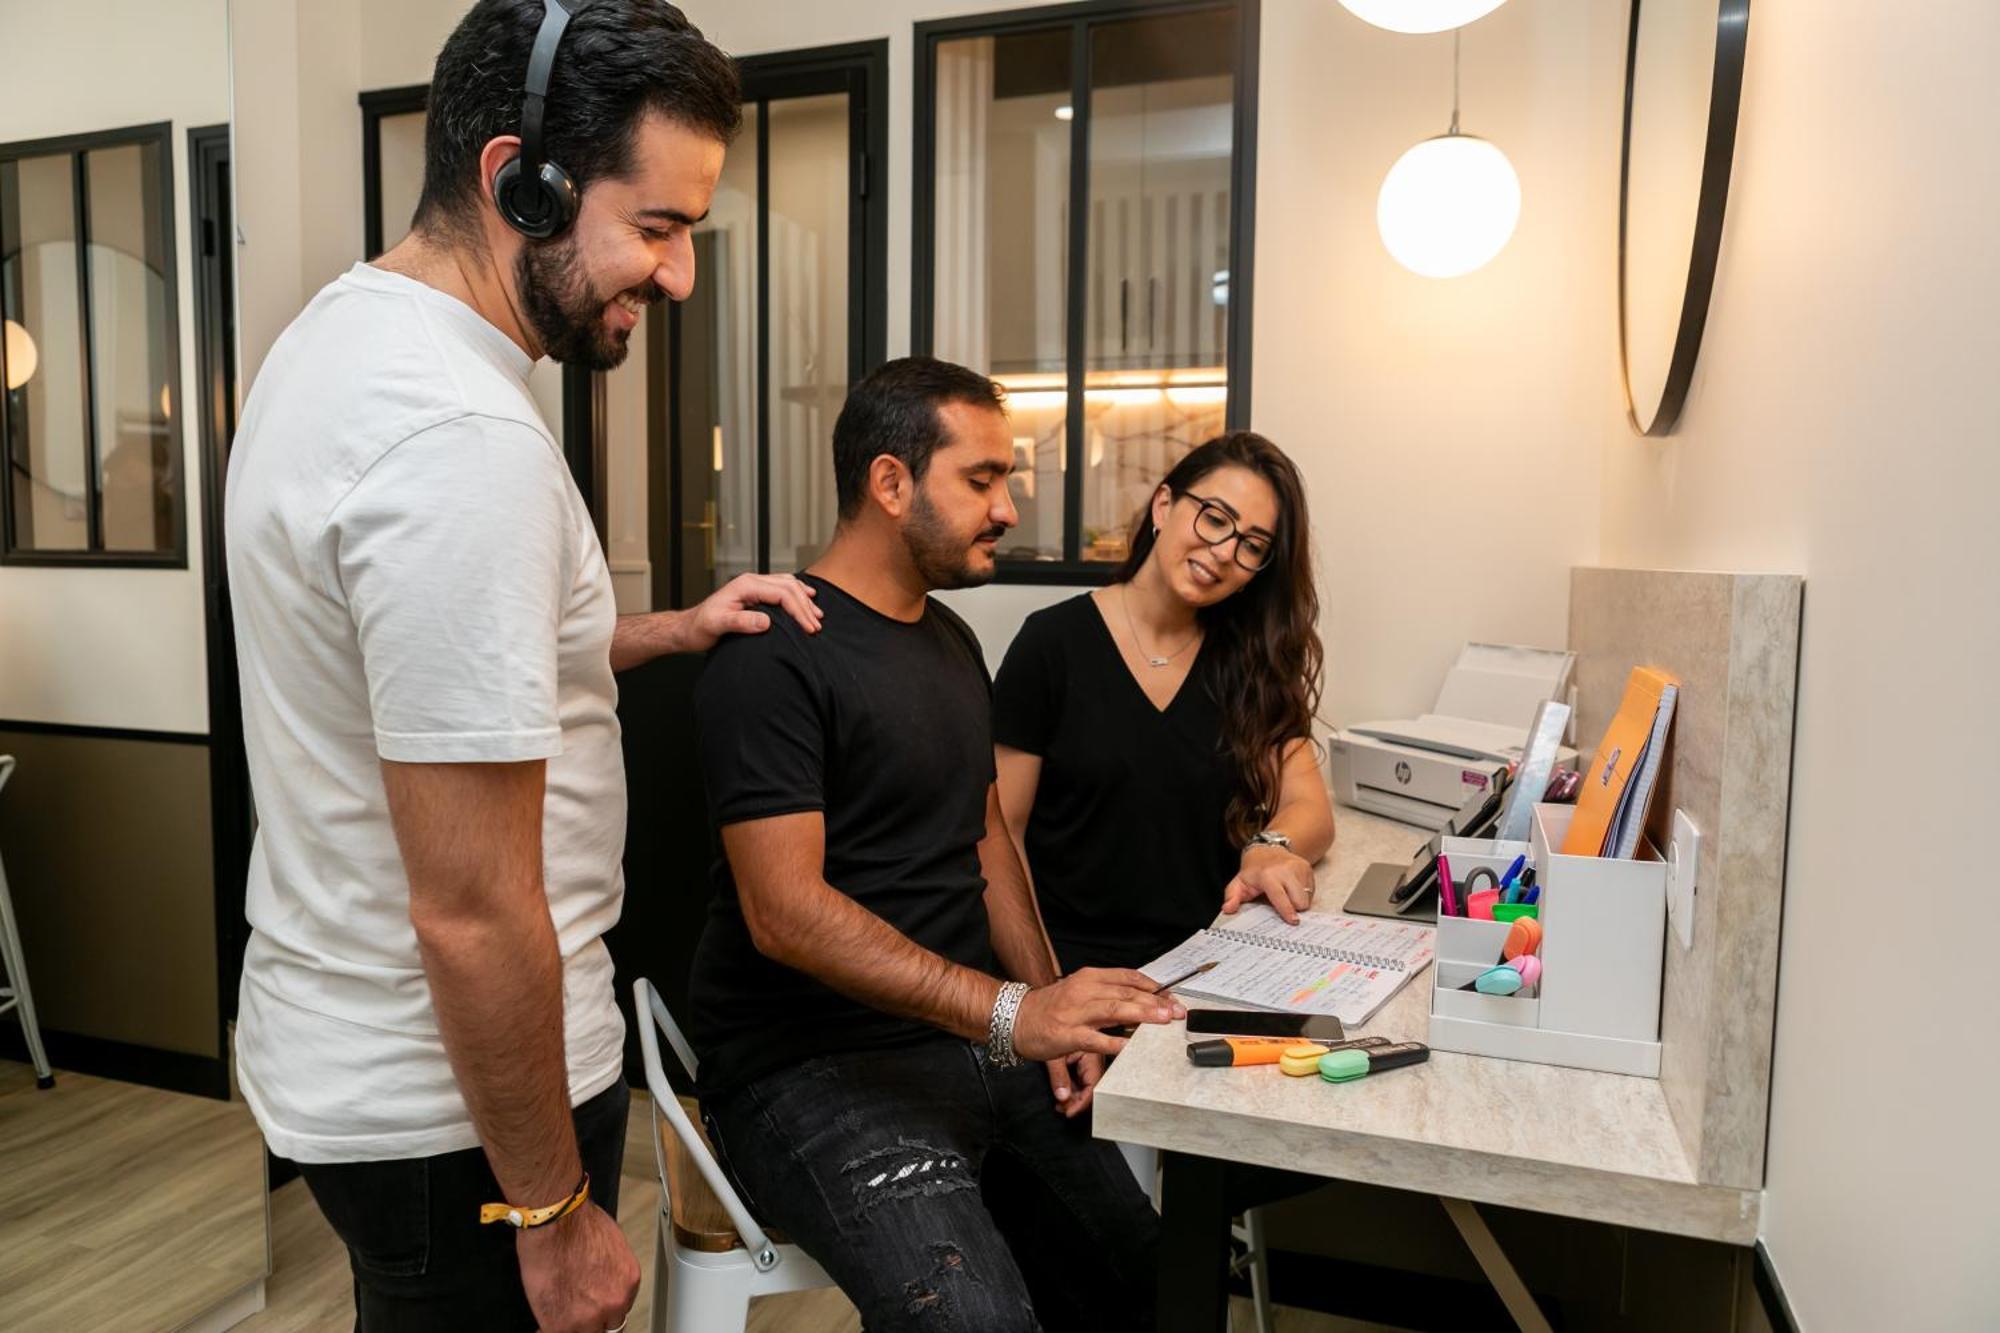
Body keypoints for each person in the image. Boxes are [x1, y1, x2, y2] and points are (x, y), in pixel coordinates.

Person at [224, 5, 820, 1330]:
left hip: (364, 1059)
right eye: (656, 230)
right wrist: (551, 1214)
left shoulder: (343, 336)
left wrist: (671, 629)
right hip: (466, 1118)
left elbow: (433, 663)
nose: (677, 280)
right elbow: (473, 909)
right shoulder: (456, 441)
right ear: (521, 183)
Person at [688, 357, 1174, 1332]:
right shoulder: (775, 654)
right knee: (969, 1318)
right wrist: (1006, 1012)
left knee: (1149, 1277)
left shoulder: (951, 641)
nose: (1008, 505)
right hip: (805, 1071)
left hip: (960, 1042)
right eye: (983, 479)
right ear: (889, 482)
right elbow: (782, 914)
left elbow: (987, 839)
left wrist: (1046, 1018)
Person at [993, 432, 1334, 1117]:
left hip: (1205, 980)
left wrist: (1273, 845)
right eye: (1214, 518)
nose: (1223, 552)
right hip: (1077, 975)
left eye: (1252, 545)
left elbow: (1309, 805)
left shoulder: (1247, 662)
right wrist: (1050, 996)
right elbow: (1000, 834)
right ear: (1163, 505)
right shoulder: (1051, 646)